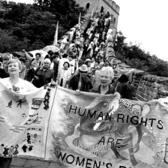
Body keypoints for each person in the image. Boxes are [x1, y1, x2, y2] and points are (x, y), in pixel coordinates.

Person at [0, 58, 37, 168]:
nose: (12, 67)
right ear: (7, 68)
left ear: (20, 69)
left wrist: (51, 89)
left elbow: (38, 95)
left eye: (15, 65)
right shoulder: (1, 82)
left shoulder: (27, 85)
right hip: (2, 121)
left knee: (7, 151)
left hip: (16, 123)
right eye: (10, 65)